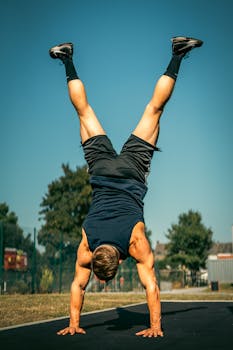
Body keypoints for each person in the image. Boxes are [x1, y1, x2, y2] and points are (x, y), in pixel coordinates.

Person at [49, 36, 203, 337]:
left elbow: (151, 285)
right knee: (84, 112)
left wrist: (155, 327)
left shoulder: (135, 243)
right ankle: (66, 59)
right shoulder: (86, 243)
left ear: (120, 261)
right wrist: (73, 323)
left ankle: (178, 55)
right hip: (102, 169)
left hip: (132, 171)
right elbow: (78, 284)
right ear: (97, 257)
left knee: (155, 109)